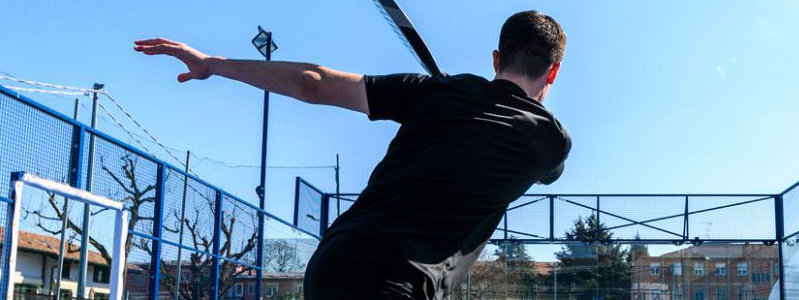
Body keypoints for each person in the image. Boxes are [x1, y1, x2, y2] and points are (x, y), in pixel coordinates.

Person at [132, 10, 571, 300]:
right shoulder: (549, 141)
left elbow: (313, 82)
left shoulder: (433, 92)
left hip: (336, 261)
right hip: (397, 281)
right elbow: (551, 169)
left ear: (495, 58)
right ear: (553, 71)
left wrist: (212, 63)